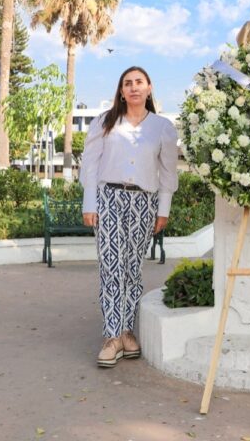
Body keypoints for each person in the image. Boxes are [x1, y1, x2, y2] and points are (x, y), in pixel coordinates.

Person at [80, 66, 178, 368]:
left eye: (139, 82)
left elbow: (168, 172)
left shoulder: (163, 127)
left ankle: (126, 331)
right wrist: (90, 203)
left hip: (144, 202)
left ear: (149, 88)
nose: (133, 87)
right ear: (121, 91)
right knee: (110, 265)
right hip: (108, 198)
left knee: (131, 268)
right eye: (127, 83)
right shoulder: (104, 122)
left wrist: (163, 210)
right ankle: (112, 336)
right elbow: (90, 166)